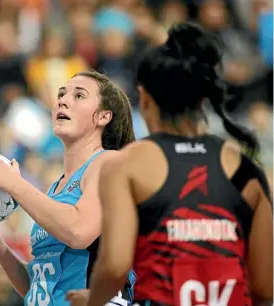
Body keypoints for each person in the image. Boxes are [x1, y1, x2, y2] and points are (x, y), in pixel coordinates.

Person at [67, 23, 273, 306]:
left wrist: (93, 300)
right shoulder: (246, 170)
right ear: (203, 99)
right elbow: (265, 288)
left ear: (146, 99)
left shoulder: (126, 165)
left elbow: (115, 267)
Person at [0, 70, 136, 306]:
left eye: (79, 96)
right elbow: (35, 285)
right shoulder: (56, 187)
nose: (63, 100)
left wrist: (15, 184)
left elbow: (78, 232)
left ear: (103, 117)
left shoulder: (108, 163)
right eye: (61, 94)